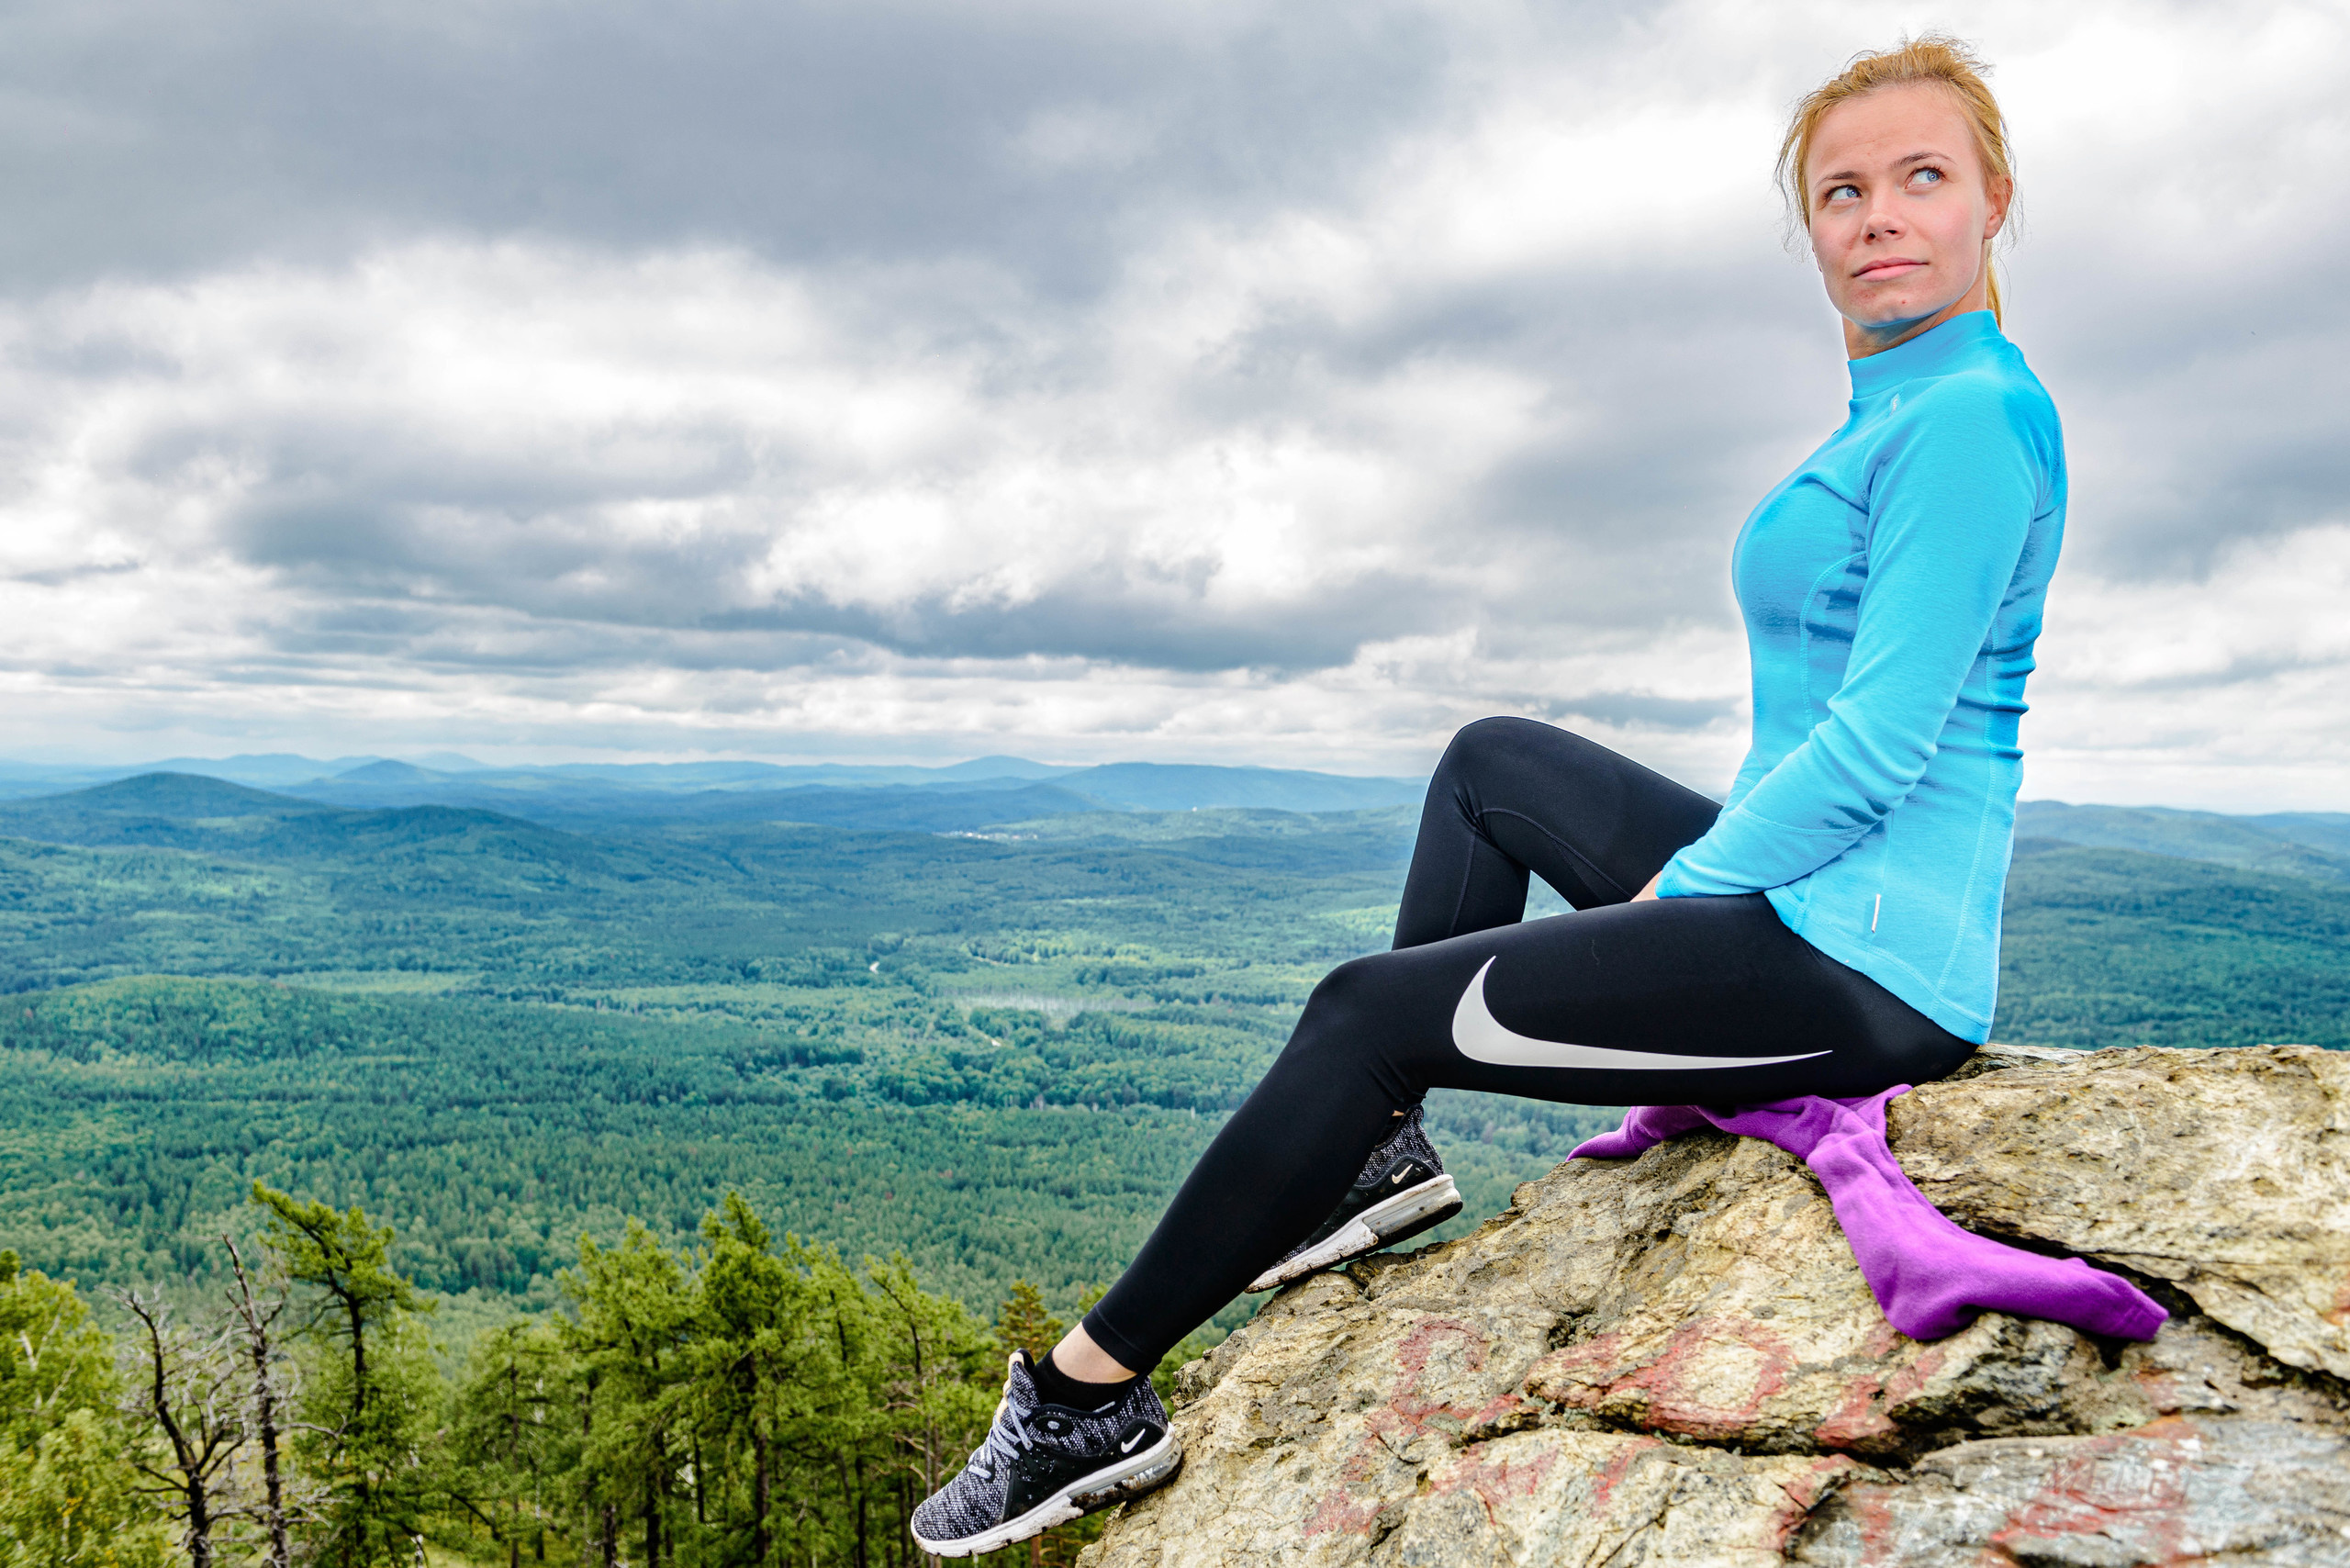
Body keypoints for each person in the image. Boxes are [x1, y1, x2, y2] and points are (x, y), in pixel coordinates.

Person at [912, 34, 2059, 1557]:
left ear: (1994, 202)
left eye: (1922, 177)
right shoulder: (1902, 411)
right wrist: (1720, 875)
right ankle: (1370, 1158)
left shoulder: (1969, 420)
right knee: (1489, 764)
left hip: (1862, 964)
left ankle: (1084, 1400)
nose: (1878, 216)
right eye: (1841, 191)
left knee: (1365, 1007)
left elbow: (1881, 745)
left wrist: (1696, 886)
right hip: (1805, 896)